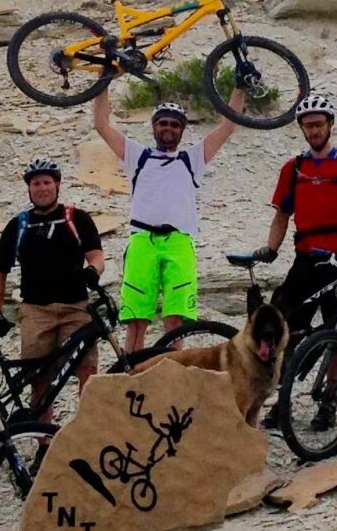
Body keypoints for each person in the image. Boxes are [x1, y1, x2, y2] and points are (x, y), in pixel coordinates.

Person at [91, 80, 246, 354]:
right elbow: (102, 125)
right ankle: (134, 373)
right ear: (154, 126)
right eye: (163, 123)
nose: (168, 129)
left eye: (175, 125)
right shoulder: (137, 156)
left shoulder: (191, 159)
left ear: (182, 131)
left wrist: (239, 87)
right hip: (142, 240)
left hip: (179, 242)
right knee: (136, 317)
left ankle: (174, 372)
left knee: (175, 318)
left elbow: (228, 126)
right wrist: (103, 81)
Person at [0, 157, 105, 404]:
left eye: (46, 182)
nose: (42, 188)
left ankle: (86, 428)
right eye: (36, 184)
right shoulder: (18, 225)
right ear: (29, 189)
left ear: (57, 185)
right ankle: (43, 437)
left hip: (75, 308)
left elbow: (96, 255)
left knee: (87, 371)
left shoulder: (77, 218)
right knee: (38, 376)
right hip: (35, 311)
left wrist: (93, 271)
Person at [248, 92, 337, 333]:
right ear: (301, 128)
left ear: (330, 124)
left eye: (319, 124)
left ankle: (335, 372)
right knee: (284, 327)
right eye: (308, 125)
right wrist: (271, 249)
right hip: (306, 259)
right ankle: (287, 371)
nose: (314, 131)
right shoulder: (293, 168)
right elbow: (282, 216)